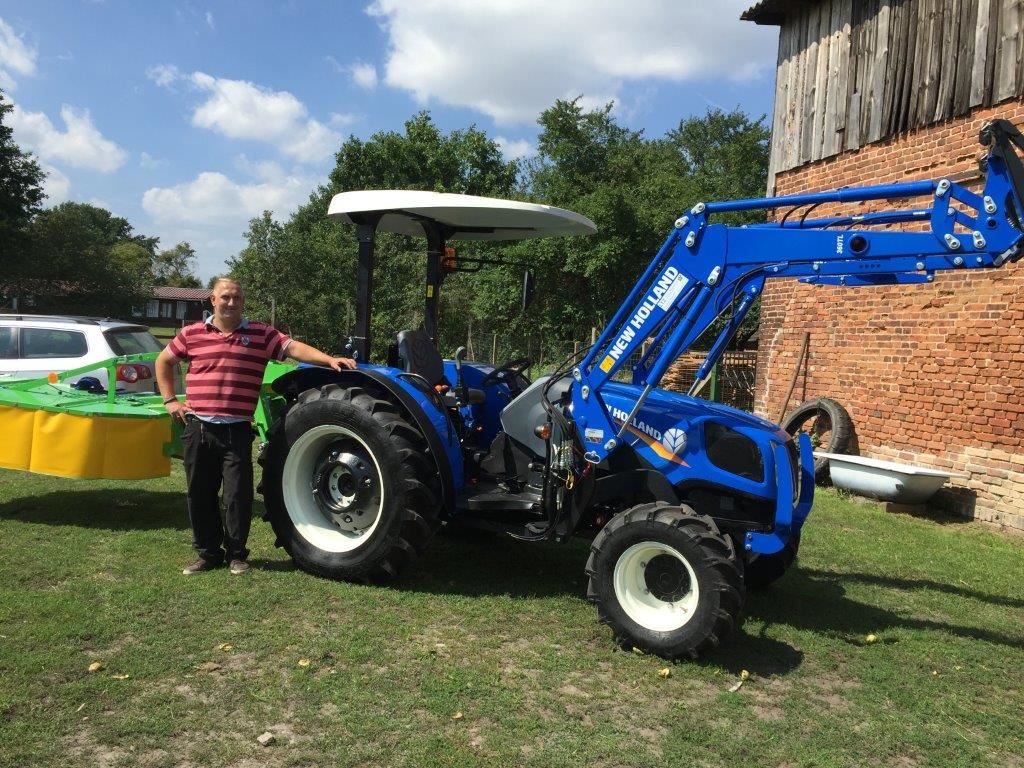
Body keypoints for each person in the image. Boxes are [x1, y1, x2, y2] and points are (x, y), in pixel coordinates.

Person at [155, 277, 355, 575]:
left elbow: (292, 348)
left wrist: (328, 359)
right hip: (199, 428)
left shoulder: (260, 334)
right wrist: (170, 400)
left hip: (236, 430)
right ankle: (208, 554)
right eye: (225, 297)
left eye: (236, 297)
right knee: (200, 494)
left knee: (237, 496)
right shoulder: (191, 334)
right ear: (213, 300)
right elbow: (163, 361)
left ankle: (237, 554)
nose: (231, 302)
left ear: (242, 301)